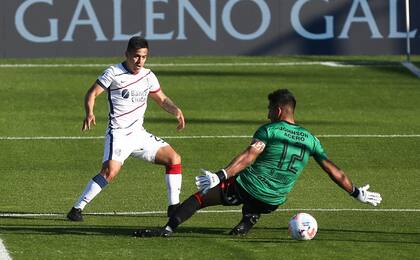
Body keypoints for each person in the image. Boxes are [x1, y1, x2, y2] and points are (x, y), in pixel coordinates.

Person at [133, 88, 382, 237]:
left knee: (201, 197)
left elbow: (249, 156)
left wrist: (221, 175)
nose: (267, 113)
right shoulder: (311, 139)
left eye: (270, 108)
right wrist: (356, 192)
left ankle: (167, 229)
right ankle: (249, 219)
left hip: (247, 187)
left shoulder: (270, 130)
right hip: (274, 200)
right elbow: (333, 171)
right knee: (262, 194)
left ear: (279, 111)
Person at [67, 36, 185, 221]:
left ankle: (173, 208)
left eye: (144, 57)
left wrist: (176, 110)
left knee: (174, 159)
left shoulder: (148, 76)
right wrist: (89, 112)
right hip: (119, 134)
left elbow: (161, 98)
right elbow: (92, 93)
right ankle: (76, 209)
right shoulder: (113, 73)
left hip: (139, 134)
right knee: (109, 173)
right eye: (136, 56)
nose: (140, 61)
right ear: (127, 54)